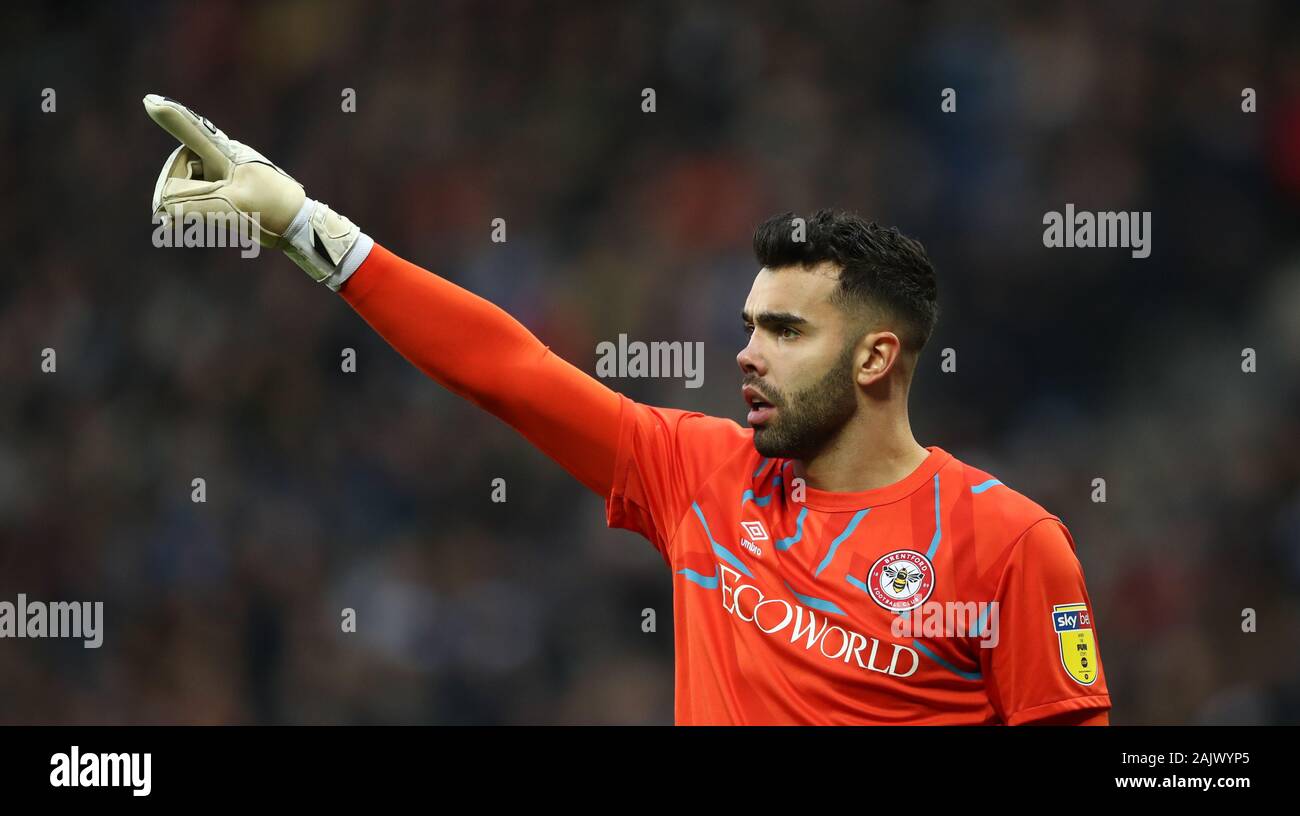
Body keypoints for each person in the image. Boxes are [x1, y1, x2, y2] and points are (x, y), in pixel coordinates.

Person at [143, 94, 1112, 725]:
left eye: (784, 331)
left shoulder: (1009, 545)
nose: (747, 353)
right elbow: (510, 371)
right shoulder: (702, 473)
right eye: (748, 326)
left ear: (876, 356)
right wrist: (309, 226)